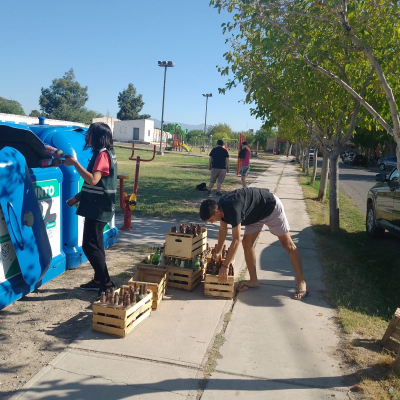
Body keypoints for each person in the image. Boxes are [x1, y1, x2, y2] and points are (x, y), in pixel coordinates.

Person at [199, 187, 309, 300]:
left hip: (270, 208)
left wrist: (225, 266)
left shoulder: (233, 209)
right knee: (247, 243)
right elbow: (223, 231)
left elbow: (236, 240)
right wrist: (218, 252)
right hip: (254, 214)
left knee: (288, 245)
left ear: (216, 211)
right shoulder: (220, 206)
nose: (212, 222)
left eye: (211, 220)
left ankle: (301, 281)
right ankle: (253, 281)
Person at [63, 122, 118, 296]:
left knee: (89, 246)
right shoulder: (104, 153)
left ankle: (107, 283)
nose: (86, 137)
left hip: (99, 208)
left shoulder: (102, 155)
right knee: (97, 245)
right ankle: (99, 280)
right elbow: (96, 184)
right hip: (97, 205)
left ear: (99, 137)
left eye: (89, 134)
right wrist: (77, 197)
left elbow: (93, 180)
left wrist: (74, 163)